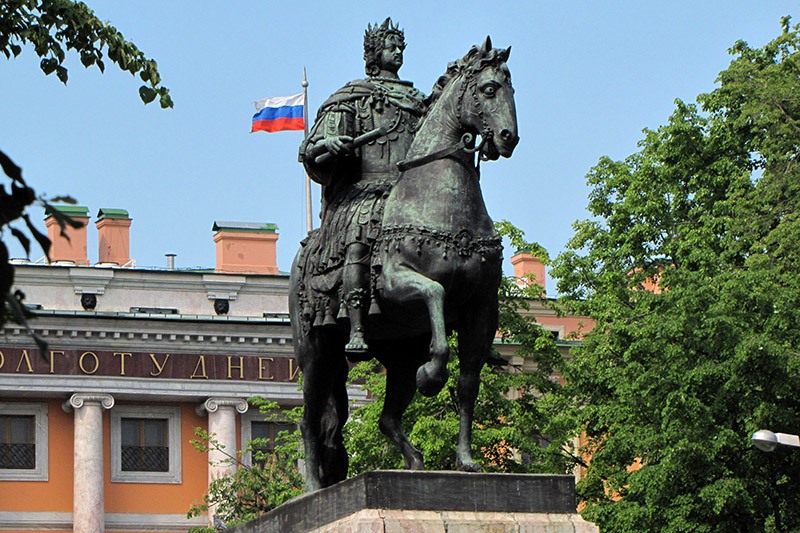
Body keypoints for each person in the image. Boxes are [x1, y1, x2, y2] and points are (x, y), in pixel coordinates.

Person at [299, 18, 426, 354]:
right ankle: (356, 325)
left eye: (400, 46)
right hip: (365, 193)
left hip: (411, 195)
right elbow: (313, 149)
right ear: (373, 52)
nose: (397, 51)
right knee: (359, 236)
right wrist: (332, 145)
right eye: (390, 45)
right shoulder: (354, 97)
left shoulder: (420, 102)